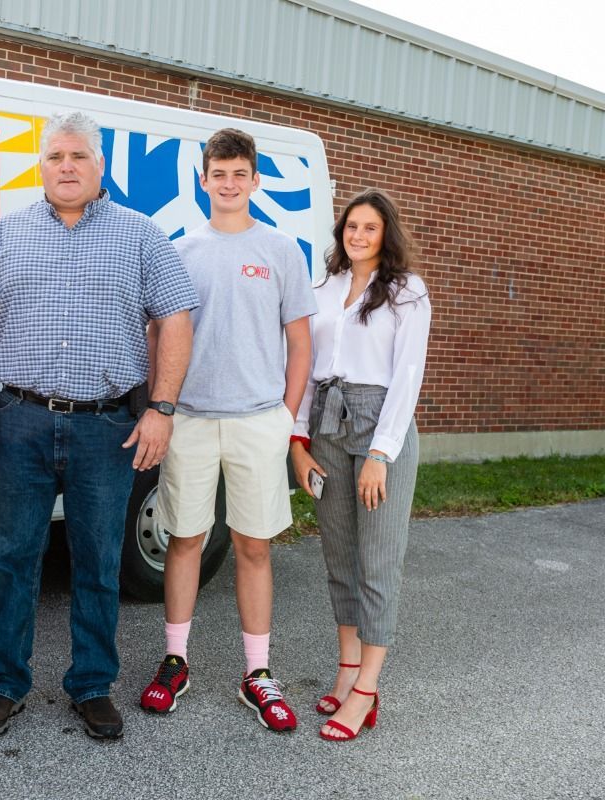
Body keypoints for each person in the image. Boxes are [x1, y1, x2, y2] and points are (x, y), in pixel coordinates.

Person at [0, 111, 197, 740]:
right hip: (21, 421)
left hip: (105, 427)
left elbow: (176, 320)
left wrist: (161, 408)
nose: (66, 167)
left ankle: (91, 684)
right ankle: (4, 683)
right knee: (11, 558)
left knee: (95, 560)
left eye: (79, 157)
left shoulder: (141, 236)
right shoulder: (5, 235)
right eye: (56, 156)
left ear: (100, 166)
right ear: (41, 165)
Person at [138, 128, 315, 733]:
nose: (230, 183)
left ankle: (257, 674)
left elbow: (299, 341)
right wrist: (160, 405)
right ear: (204, 180)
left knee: (253, 545)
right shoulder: (180, 251)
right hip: (189, 418)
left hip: (257, 421)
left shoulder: (282, 250)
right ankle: (175, 661)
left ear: (255, 180)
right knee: (184, 541)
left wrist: (286, 418)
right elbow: (159, 335)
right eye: (219, 174)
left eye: (240, 174)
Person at [289, 188, 431, 741]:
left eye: (370, 228)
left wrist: (380, 454)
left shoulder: (406, 293)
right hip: (325, 422)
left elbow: (408, 377)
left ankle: (367, 691)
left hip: (378, 427)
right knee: (340, 556)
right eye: (351, 226)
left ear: (385, 233)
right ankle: (347, 670)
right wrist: (297, 442)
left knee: (377, 561)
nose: (358, 235)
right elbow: (301, 365)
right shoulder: (320, 290)